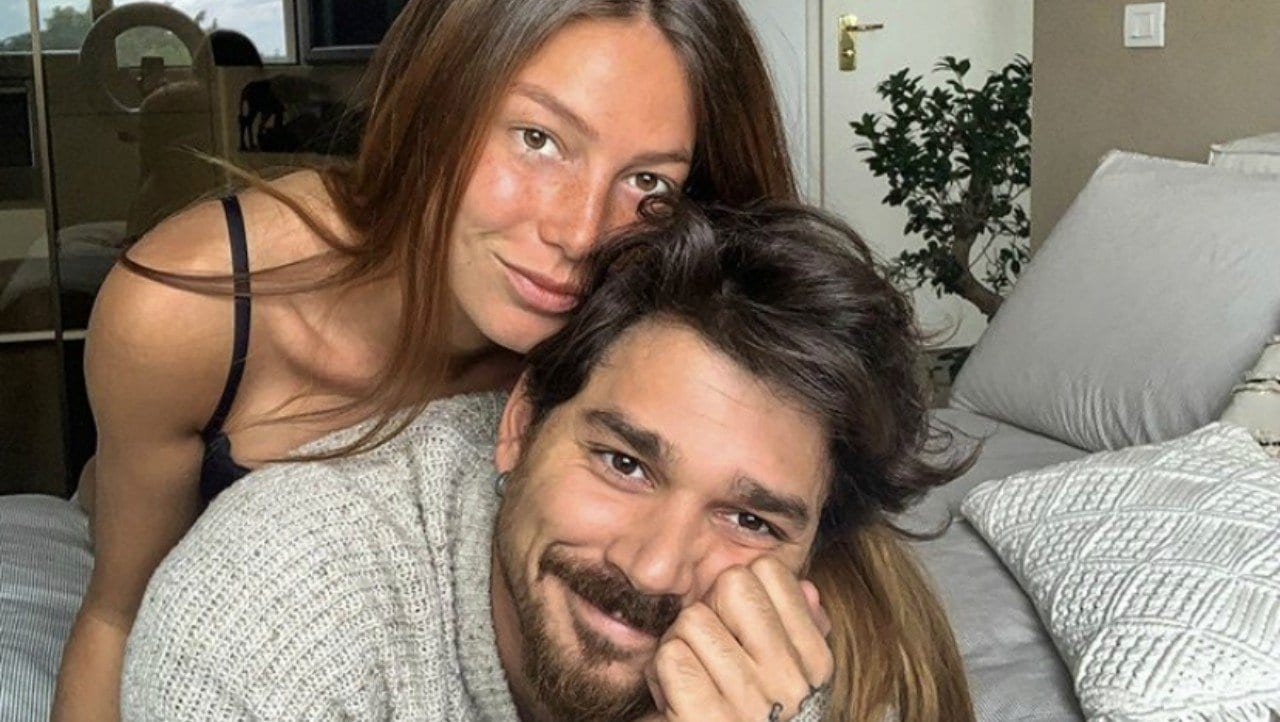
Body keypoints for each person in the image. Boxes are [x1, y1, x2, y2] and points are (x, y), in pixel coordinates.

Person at [53, 1, 796, 719]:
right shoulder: (187, 312)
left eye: (648, 182)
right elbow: (117, 616)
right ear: (434, 103)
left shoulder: (628, 328)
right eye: (538, 139)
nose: (579, 234)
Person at [120, 202, 975, 722]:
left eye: (748, 519)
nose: (655, 567)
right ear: (522, 423)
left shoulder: (815, 662)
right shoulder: (272, 615)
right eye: (625, 464)